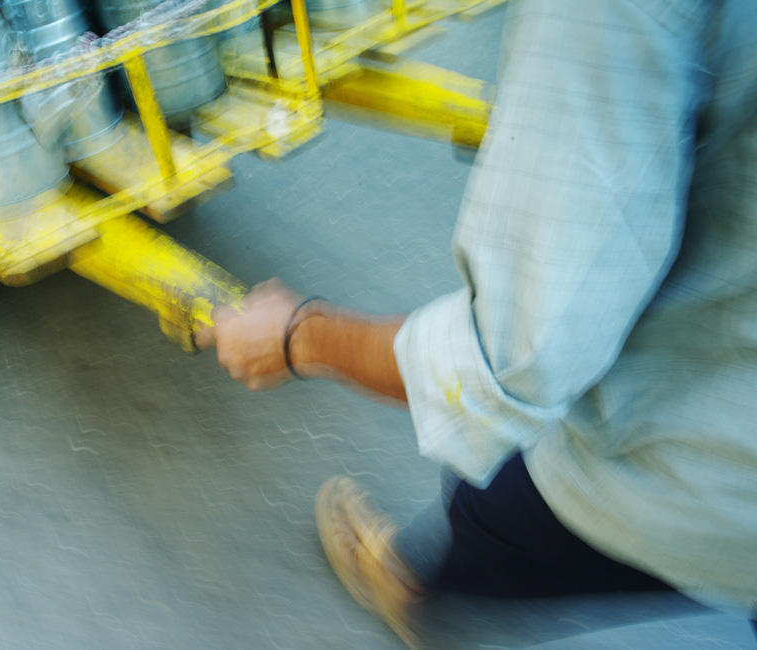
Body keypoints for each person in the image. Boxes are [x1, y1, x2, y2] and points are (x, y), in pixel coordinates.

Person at [194, 0, 757, 646]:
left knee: (492, 508)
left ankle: (413, 585)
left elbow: (511, 358)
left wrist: (297, 336)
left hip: (713, 467)